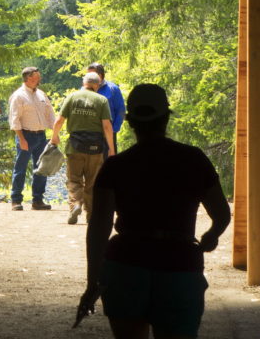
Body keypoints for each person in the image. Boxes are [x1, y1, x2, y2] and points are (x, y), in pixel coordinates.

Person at [82, 83, 231, 339]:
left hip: (126, 263)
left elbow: (99, 227)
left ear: (129, 122)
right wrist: (211, 236)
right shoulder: (193, 159)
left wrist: (93, 281)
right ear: (166, 118)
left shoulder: (116, 167)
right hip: (179, 263)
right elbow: (221, 214)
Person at [50, 71, 114, 225]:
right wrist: (111, 149)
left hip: (75, 146)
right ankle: (91, 216)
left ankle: (76, 204)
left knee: (74, 179)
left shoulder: (72, 97)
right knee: (92, 182)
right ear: (97, 85)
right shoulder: (102, 100)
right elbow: (106, 126)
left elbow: (59, 120)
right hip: (95, 147)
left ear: (84, 83)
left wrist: (54, 137)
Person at [7, 66, 57, 211]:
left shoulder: (41, 94)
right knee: (20, 168)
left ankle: (38, 200)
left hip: (41, 136)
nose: (39, 79)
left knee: (41, 168)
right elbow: (14, 119)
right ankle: (16, 200)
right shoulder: (19, 96)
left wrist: (55, 133)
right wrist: (21, 139)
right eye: (36, 77)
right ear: (29, 78)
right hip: (26, 135)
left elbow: (50, 114)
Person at [87, 62, 125, 151]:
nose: (88, 78)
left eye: (91, 75)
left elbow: (121, 111)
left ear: (100, 75)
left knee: (109, 161)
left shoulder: (113, 89)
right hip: (89, 134)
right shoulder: (84, 90)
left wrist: (113, 130)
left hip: (108, 134)